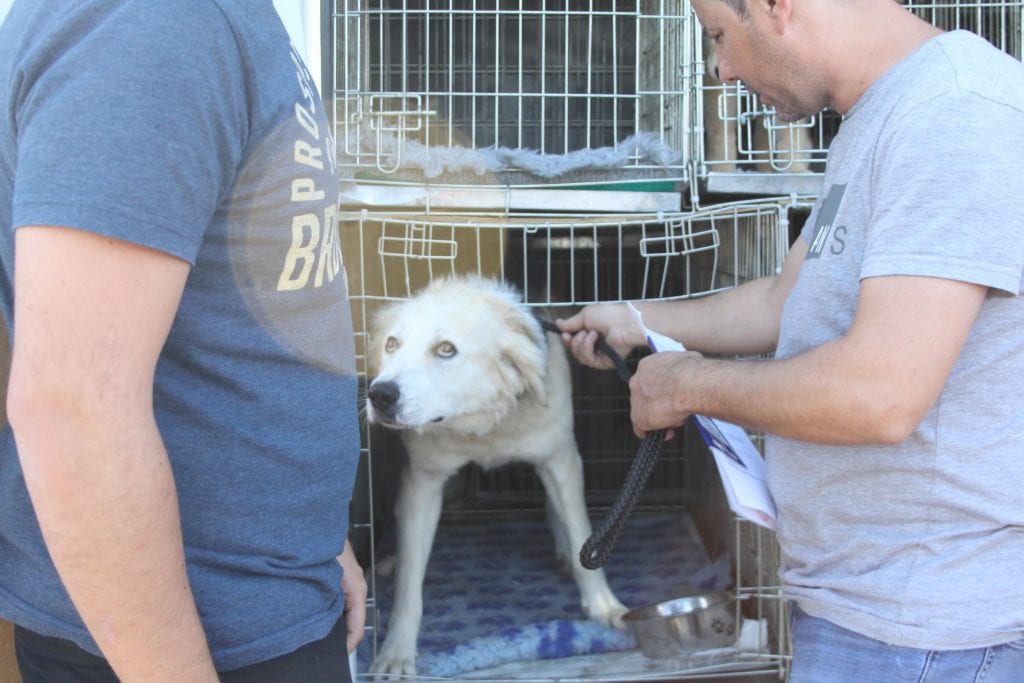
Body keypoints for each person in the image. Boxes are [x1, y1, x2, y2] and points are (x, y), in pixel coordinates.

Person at [557, 0, 1024, 680]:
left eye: (718, 35)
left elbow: (879, 395)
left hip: (923, 630)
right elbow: (787, 299)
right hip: (864, 610)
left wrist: (685, 383)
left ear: (779, 8)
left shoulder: (952, 114)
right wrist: (637, 315)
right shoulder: (875, 118)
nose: (718, 70)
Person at [0, 1, 366, 682]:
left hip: (257, 598)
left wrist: (316, 537)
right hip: (186, 641)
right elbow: (73, 410)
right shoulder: (147, 21)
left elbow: (238, 304)